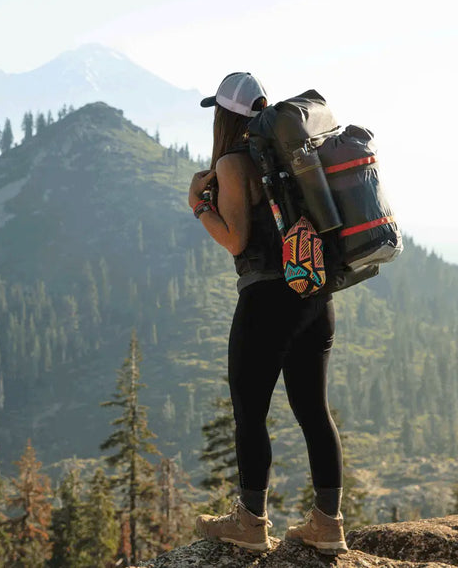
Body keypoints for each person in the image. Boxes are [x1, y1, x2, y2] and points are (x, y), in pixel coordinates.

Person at [190, 72, 348, 555]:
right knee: (313, 411)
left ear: (224, 115)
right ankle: (328, 523)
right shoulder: (289, 155)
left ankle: (252, 522)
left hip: (267, 301)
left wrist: (199, 206)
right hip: (314, 294)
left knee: (250, 410)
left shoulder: (235, 164)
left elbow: (237, 240)